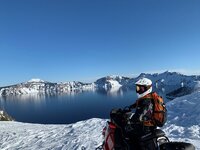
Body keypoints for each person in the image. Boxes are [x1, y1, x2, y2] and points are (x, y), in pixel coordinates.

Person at [125, 77, 162, 149]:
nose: (138, 90)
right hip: (149, 125)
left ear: (147, 88)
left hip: (146, 127)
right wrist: (130, 107)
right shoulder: (148, 97)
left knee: (128, 134)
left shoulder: (147, 101)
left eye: (141, 88)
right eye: (138, 88)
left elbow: (139, 116)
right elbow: (139, 104)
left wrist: (130, 121)